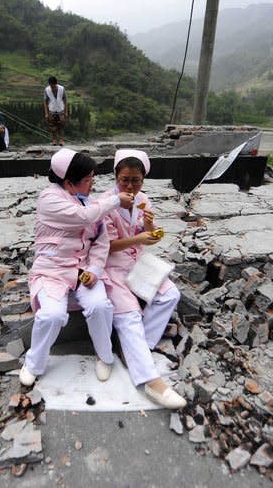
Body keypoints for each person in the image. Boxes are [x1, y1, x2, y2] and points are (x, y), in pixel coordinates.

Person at [19, 148, 134, 387]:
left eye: (93, 177)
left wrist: (95, 270)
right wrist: (114, 200)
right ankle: (34, 364)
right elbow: (82, 217)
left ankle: (105, 356)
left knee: (100, 305)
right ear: (69, 182)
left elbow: (101, 245)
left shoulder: (93, 203)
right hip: (51, 270)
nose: (92, 183)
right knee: (52, 315)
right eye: (87, 179)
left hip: (81, 270)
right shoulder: (49, 199)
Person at [100, 149, 186, 409]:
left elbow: (151, 234)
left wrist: (150, 227)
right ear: (115, 176)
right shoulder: (106, 203)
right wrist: (139, 238)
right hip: (113, 265)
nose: (129, 186)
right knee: (129, 314)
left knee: (171, 294)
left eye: (135, 180)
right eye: (124, 179)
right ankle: (150, 380)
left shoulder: (143, 200)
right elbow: (106, 246)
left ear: (143, 179)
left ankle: (137, 348)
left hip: (138, 262)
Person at [43, 76, 68, 146]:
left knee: (61, 126)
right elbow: (45, 102)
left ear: (56, 83)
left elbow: (65, 100)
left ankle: (61, 140)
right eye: (50, 85)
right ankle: (53, 140)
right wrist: (46, 113)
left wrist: (66, 112)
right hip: (52, 110)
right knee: (52, 127)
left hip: (61, 109)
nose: (52, 87)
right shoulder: (47, 90)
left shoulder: (62, 89)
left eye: (53, 86)